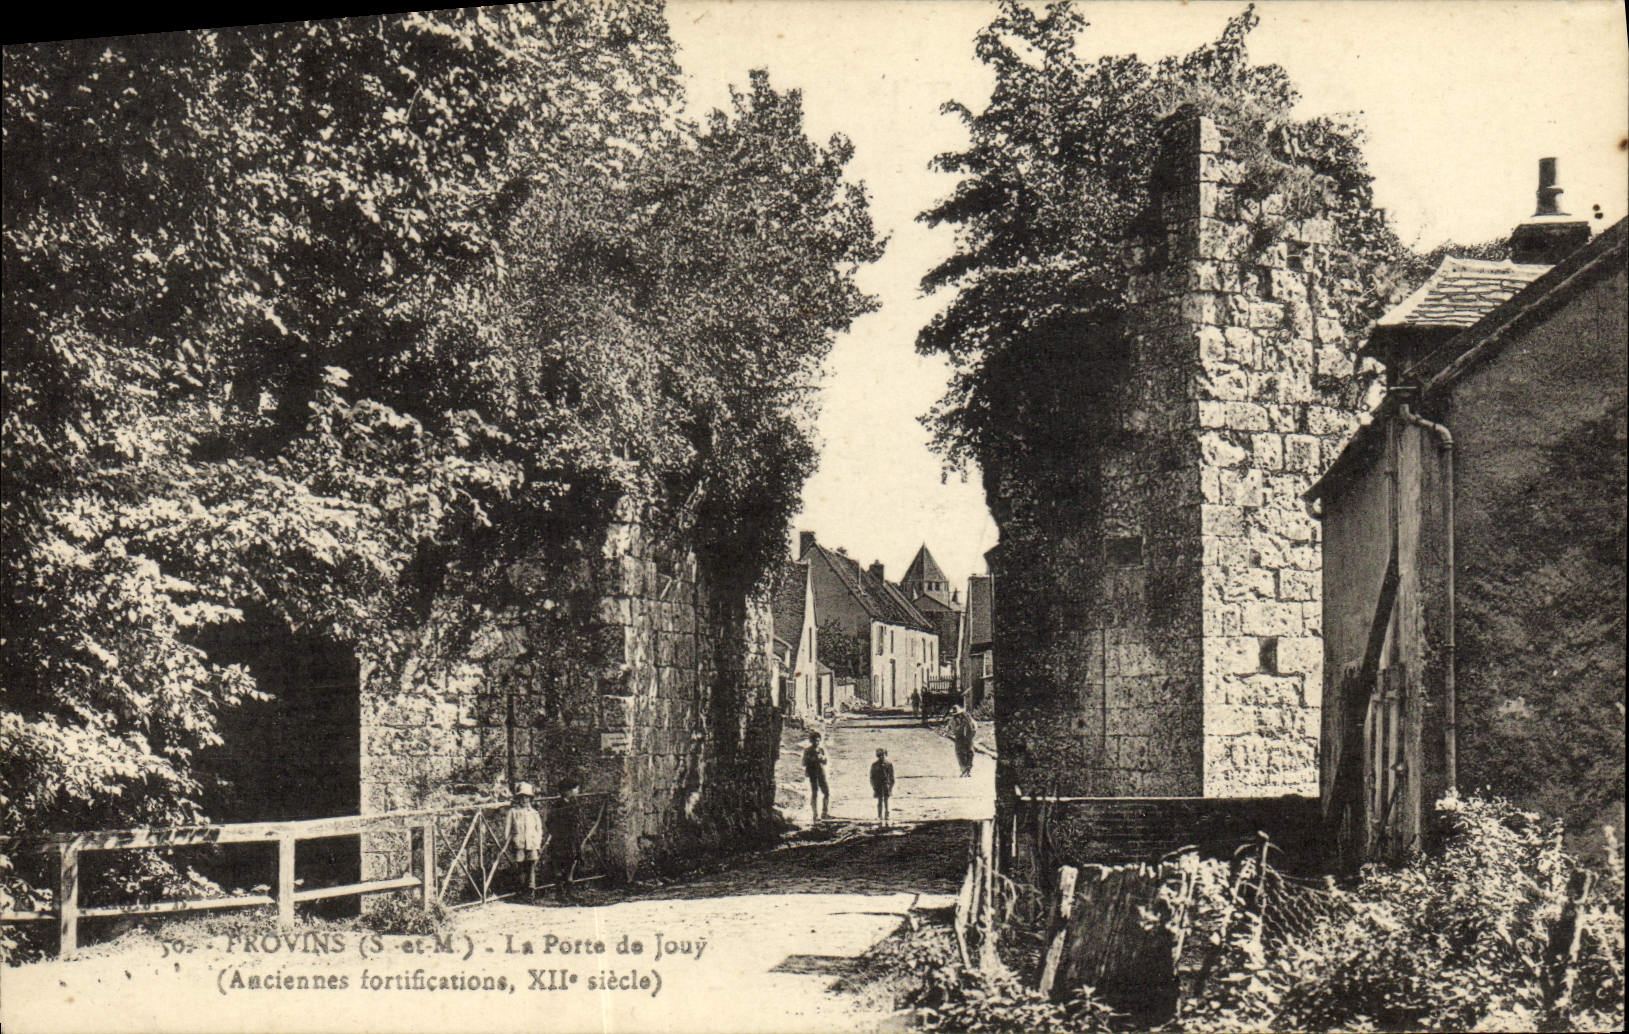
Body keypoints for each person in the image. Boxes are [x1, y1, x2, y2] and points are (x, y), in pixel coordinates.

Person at [503, 782, 543, 900]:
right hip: (519, 843)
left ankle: (531, 890)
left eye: (527, 797)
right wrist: (509, 842)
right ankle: (521, 890)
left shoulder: (534, 813)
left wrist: (538, 843)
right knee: (520, 866)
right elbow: (507, 829)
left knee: (531, 866)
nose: (524, 800)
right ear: (518, 798)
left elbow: (539, 829)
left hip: (531, 843)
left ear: (530, 798)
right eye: (521, 797)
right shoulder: (513, 812)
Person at [546, 778, 582, 903]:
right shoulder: (558, 805)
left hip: (572, 838)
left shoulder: (574, 803)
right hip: (561, 839)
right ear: (567, 791)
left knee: (572, 862)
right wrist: (558, 834)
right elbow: (550, 822)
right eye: (575, 788)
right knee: (559, 864)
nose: (577, 791)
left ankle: (570, 891)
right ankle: (560, 893)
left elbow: (577, 821)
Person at [803, 731, 831, 821]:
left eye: (818, 741)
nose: (817, 743)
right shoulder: (807, 750)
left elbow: (825, 762)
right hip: (812, 773)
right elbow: (804, 763)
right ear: (811, 741)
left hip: (821, 773)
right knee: (814, 793)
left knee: (826, 792)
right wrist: (813, 759)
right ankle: (815, 814)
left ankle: (824, 813)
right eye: (815, 741)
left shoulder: (821, 749)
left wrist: (823, 758)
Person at [949, 706, 977, 778]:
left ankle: (968, 769)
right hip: (959, 738)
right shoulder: (952, 721)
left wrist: (971, 735)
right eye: (956, 715)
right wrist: (962, 726)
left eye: (959, 714)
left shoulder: (968, 719)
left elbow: (974, 726)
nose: (958, 716)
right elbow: (955, 730)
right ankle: (964, 770)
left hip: (968, 737)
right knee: (960, 753)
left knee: (970, 752)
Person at [870, 747, 896, 824]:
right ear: (877, 756)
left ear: (885, 755)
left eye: (883, 755)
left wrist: (891, 787)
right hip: (878, 785)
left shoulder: (889, 764)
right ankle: (879, 815)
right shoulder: (874, 765)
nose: (881, 757)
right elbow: (872, 777)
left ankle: (887, 814)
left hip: (886, 784)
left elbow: (891, 777)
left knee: (886, 800)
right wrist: (874, 786)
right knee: (879, 800)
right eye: (879, 755)